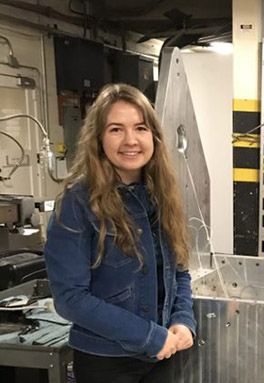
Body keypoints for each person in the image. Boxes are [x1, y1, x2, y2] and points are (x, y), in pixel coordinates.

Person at [44, 83, 196, 383]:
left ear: (153, 136)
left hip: (161, 356)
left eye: (140, 128)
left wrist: (183, 320)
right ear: (99, 139)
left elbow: (179, 271)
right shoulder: (77, 203)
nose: (130, 140)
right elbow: (70, 298)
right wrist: (149, 335)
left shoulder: (159, 195)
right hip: (106, 363)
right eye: (116, 129)